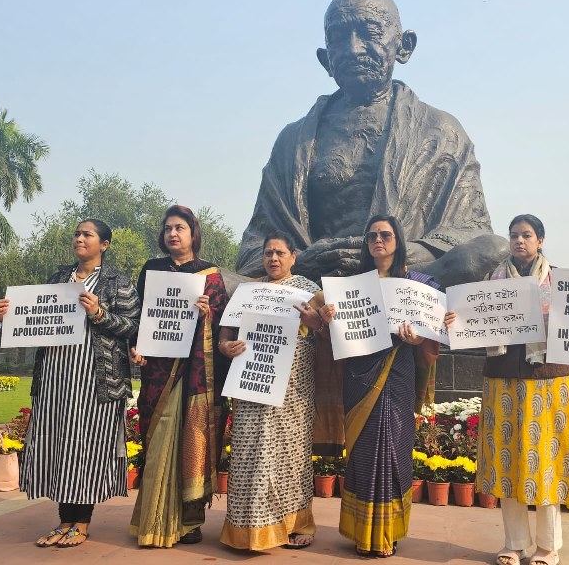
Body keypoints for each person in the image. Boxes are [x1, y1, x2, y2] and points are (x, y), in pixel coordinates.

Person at [236, 0, 507, 287]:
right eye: (339, 38)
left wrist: (393, 254)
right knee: (216, 280)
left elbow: (472, 231)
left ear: (404, 47)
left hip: (403, 276)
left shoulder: (442, 131)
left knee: (494, 250)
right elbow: (254, 248)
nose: (353, 49)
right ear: (326, 59)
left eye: (370, 32)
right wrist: (302, 260)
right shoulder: (293, 142)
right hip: (315, 280)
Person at [444, 214, 569, 565]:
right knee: (508, 460)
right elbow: (472, 322)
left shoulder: (562, 282)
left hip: (548, 380)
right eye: (514, 235)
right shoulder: (491, 282)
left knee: (546, 461)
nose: (519, 241)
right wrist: (454, 320)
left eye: (526, 235)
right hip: (502, 380)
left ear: (540, 240)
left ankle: (548, 545)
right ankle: (514, 544)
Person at [0, 219, 140, 548]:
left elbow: (133, 326)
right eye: (77, 234)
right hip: (55, 379)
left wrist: (99, 313)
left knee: (85, 448)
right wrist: (7, 316)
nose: (79, 238)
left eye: (88, 234)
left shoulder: (118, 282)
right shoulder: (58, 279)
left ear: (104, 245)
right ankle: (64, 521)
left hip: (97, 382)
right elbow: (35, 321)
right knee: (58, 446)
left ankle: (81, 523)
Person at [318, 214, 441, 558]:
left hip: (398, 372)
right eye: (372, 235)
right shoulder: (353, 286)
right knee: (363, 451)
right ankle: (362, 532)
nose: (378, 240)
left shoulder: (417, 285)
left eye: (385, 235)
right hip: (359, 375)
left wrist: (419, 338)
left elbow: (431, 334)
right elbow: (337, 335)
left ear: (398, 241)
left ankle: (387, 532)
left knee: (393, 449)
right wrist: (329, 321)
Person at [218, 232, 327, 551]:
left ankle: (296, 524)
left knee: (289, 456)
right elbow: (226, 331)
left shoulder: (309, 291)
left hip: (293, 390)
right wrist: (225, 346)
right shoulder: (249, 291)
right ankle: (247, 528)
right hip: (252, 383)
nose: (273, 258)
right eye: (268, 253)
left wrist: (315, 322)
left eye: (280, 253)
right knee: (248, 453)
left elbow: (327, 334)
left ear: (294, 256)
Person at [128, 205, 229, 547]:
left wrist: (207, 314)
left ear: (192, 233)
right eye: (168, 228)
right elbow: (141, 316)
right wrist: (136, 346)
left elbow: (225, 324)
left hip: (198, 376)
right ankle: (153, 518)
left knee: (194, 442)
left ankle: (191, 521)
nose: (172, 234)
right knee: (159, 440)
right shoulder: (152, 270)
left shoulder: (210, 275)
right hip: (159, 372)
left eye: (179, 228)